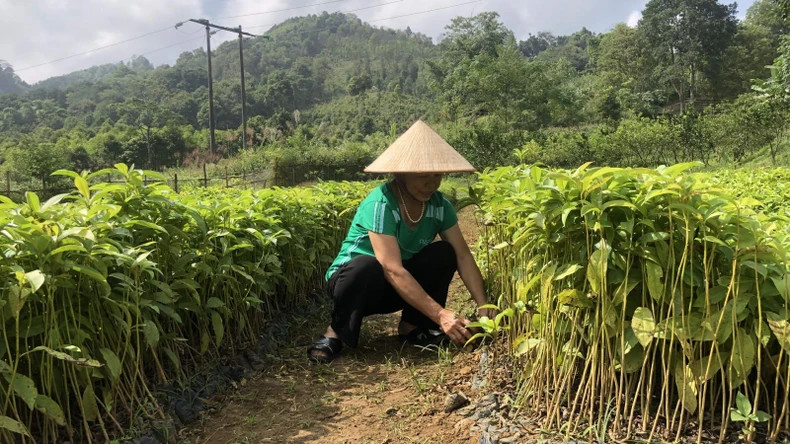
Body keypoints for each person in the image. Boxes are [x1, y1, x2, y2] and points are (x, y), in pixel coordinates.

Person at [307, 120, 492, 363]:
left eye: (438, 174)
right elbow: (391, 268)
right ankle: (336, 332)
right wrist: (441, 315)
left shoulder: (440, 206)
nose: (432, 183)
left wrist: (484, 306)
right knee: (367, 265)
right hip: (356, 283)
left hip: (398, 286)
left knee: (444, 253)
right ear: (400, 174)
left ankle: (412, 326)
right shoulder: (381, 203)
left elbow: (463, 256)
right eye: (423, 175)